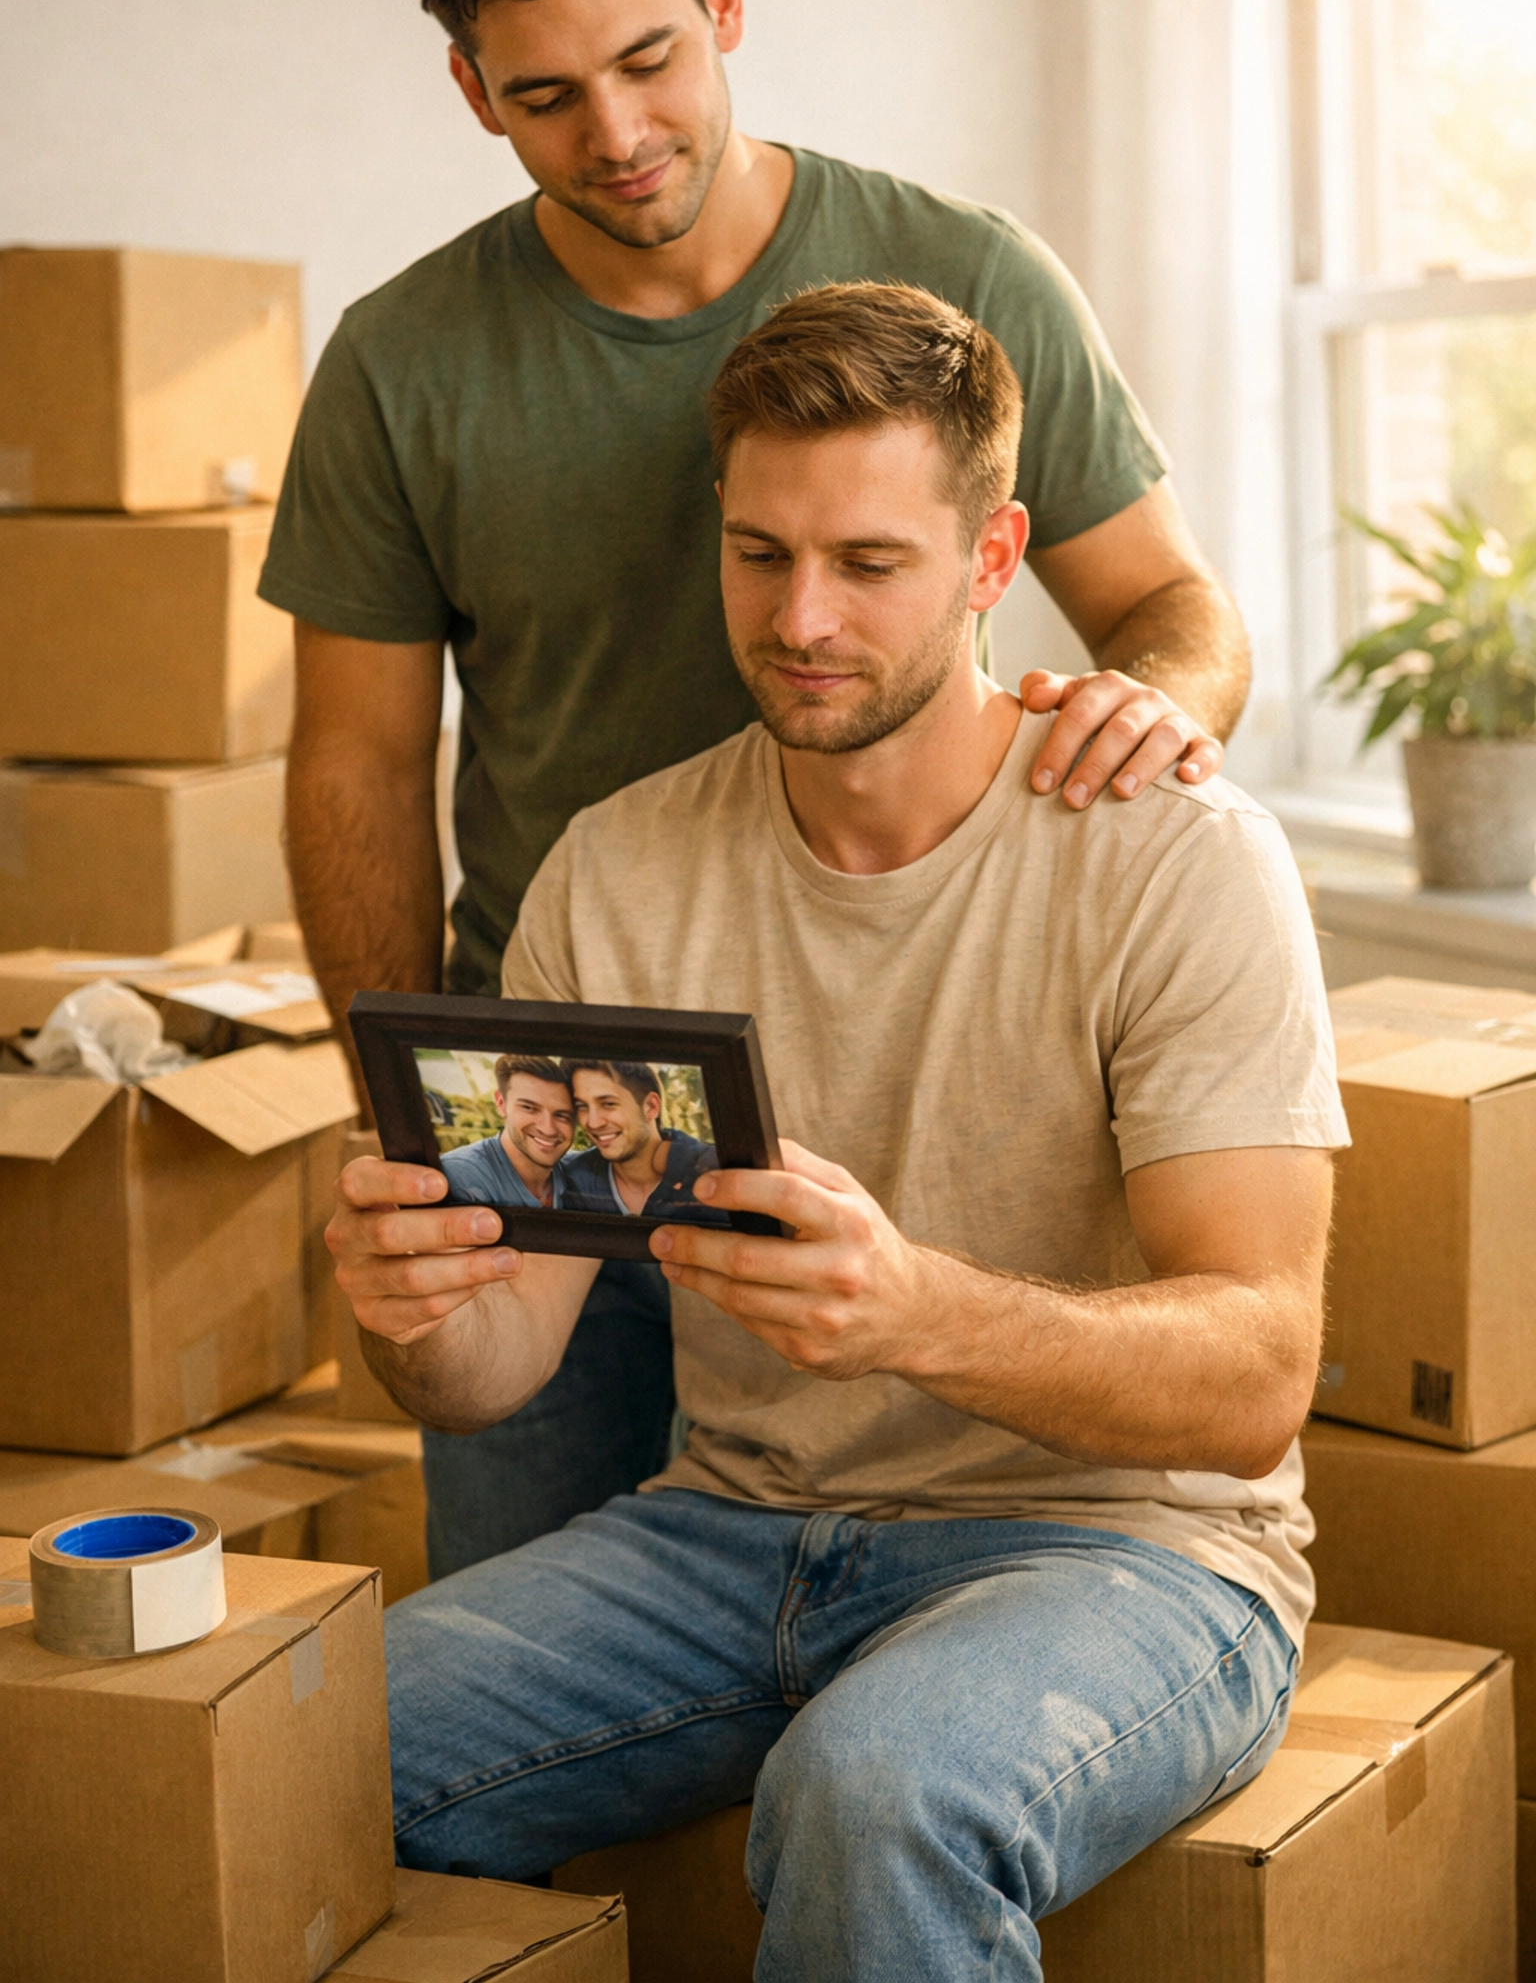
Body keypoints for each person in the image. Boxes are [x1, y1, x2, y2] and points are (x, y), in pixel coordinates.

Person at [265, 0, 1256, 1572]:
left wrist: (1161, 703)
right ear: (471, 92)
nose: (619, 131)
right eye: (545, 95)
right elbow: (353, 769)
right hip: (557, 1109)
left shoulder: (965, 276)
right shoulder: (401, 365)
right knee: (532, 1699)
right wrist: (418, 1127)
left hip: (903, 1097)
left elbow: (1171, 606)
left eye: (648, 58)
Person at [328, 284, 1345, 1982]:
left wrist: (918, 1310)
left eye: (869, 563)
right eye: (758, 553)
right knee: (286, 1738)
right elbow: (494, 1366)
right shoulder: (617, 868)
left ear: (990, 554)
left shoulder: (1178, 854)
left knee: (873, 1789)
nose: (800, 616)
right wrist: (413, 1312)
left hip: (1127, 1548)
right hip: (727, 1527)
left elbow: (1255, 1374)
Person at [560, 1060, 716, 1218]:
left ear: (651, 1106)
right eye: (582, 1106)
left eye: (608, 1104)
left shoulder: (708, 1171)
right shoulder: (572, 1179)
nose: (593, 1123)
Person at [439, 1055, 575, 1208]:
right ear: (501, 1103)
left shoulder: (580, 1173)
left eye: (562, 1115)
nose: (548, 1129)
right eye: (529, 1108)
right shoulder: (461, 1175)